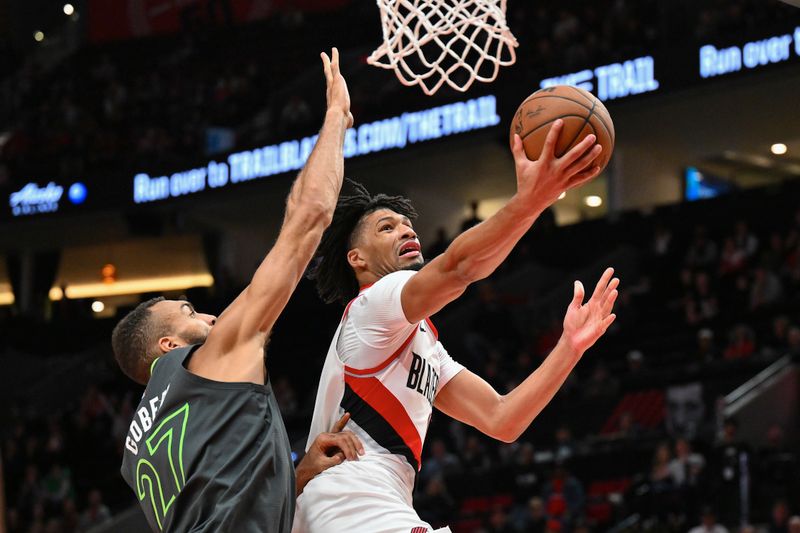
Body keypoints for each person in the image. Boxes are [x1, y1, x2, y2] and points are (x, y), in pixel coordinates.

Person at [295, 121, 617, 531]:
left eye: (406, 223)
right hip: (352, 499)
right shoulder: (373, 304)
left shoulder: (425, 344)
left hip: (366, 504)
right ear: (356, 259)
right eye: (386, 227)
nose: (406, 228)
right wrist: (531, 200)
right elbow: (458, 267)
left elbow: (502, 419)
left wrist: (570, 346)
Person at [111, 48, 363, 533]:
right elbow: (307, 220)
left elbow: (222, 506)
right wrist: (335, 118)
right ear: (168, 346)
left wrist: (299, 474)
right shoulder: (210, 357)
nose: (208, 316)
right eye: (187, 312)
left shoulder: (138, 449)